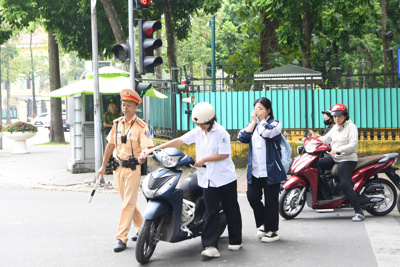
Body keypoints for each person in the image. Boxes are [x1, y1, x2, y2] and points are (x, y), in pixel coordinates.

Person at [141, 102, 242, 258]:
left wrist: (204, 160)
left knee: (231, 208)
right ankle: (210, 245)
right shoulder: (198, 131)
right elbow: (179, 141)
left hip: (224, 177)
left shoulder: (221, 133)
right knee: (211, 210)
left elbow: (224, 154)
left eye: (203, 124)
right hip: (206, 178)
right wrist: (154, 149)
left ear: (211, 120)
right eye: (198, 124)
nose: (200, 126)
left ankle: (235, 240)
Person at [96, 89, 154, 252]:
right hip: (117, 168)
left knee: (128, 203)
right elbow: (110, 145)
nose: (125, 107)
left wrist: (143, 156)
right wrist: (103, 165)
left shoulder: (141, 126)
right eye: (123, 104)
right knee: (128, 202)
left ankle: (121, 237)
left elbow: (148, 147)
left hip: (132, 168)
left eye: (129, 105)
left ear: (136, 107)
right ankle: (143, 228)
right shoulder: (117, 123)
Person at [237, 97, 286, 243]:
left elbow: (268, 134)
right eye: (256, 108)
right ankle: (264, 224)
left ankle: (272, 231)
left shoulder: (275, 124)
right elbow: (242, 137)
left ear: (268, 110)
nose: (258, 111)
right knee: (252, 197)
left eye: (261, 108)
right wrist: (253, 122)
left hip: (271, 171)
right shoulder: (253, 125)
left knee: (271, 202)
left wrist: (263, 121)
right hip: (255, 171)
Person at [312, 103, 365, 222]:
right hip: (335, 157)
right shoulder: (335, 127)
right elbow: (326, 139)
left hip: (347, 159)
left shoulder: (352, 127)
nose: (336, 119)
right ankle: (326, 194)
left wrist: (339, 150)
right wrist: (312, 140)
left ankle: (359, 212)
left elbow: (353, 145)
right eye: (335, 116)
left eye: (339, 116)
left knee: (345, 183)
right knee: (316, 164)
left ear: (345, 116)